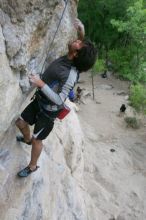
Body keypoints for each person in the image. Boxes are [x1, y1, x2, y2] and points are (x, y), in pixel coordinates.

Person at [15, 19, 97, 177]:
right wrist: (81, 30)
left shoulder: (71, 74)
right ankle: (27, 140)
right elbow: (81, 47)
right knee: (20, 123)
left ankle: (32, 166)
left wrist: (40, 84)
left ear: (76, 54)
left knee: (38, 140)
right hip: (40, 101)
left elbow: (60, 99)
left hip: (48, 112)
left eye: (79, 43)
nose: (77, 40)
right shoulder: (70, 56)